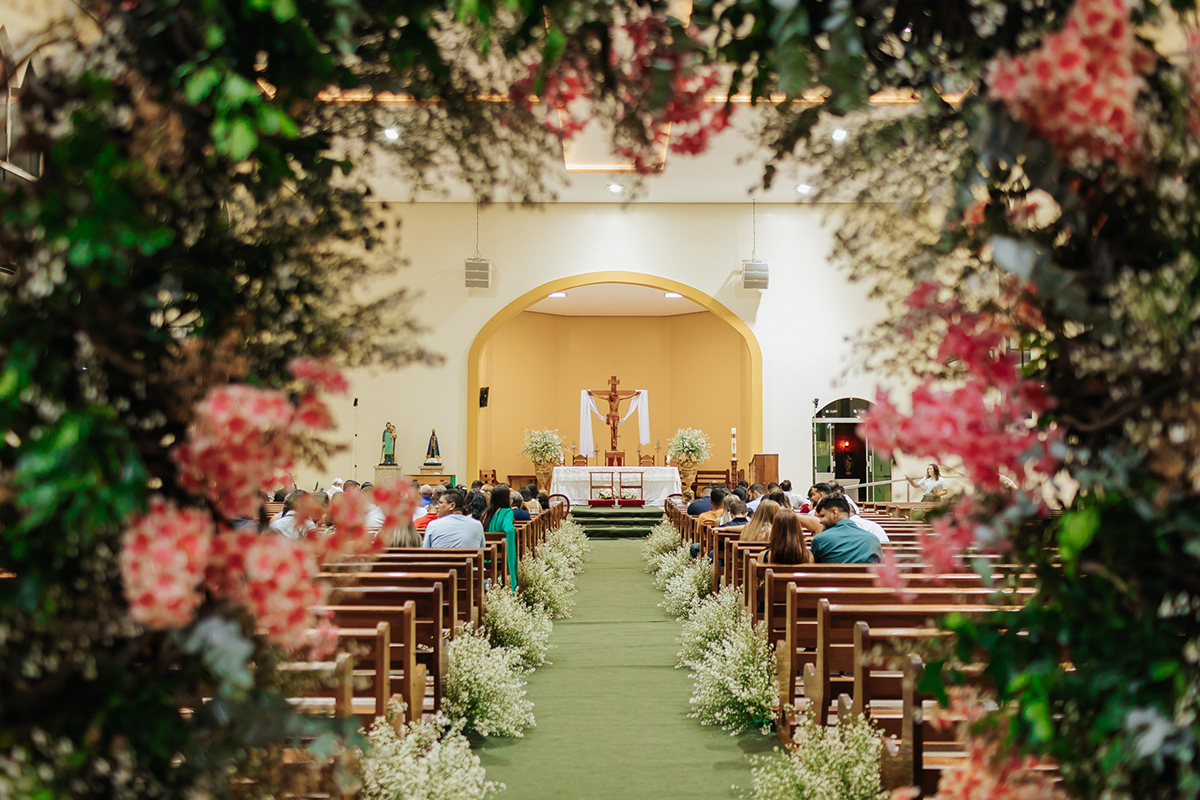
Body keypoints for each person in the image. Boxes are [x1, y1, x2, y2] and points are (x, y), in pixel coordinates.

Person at [810, 495, 883, 564]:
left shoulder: (820, 539)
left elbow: (815, 568)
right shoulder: (873, 540)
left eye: (823, 516)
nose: (821, 520)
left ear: (835, 512)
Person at [483, 484, 519, 591]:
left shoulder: (488, 512)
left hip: (487, 552)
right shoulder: (507, 511)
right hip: (499, 551)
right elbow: (508, 529)